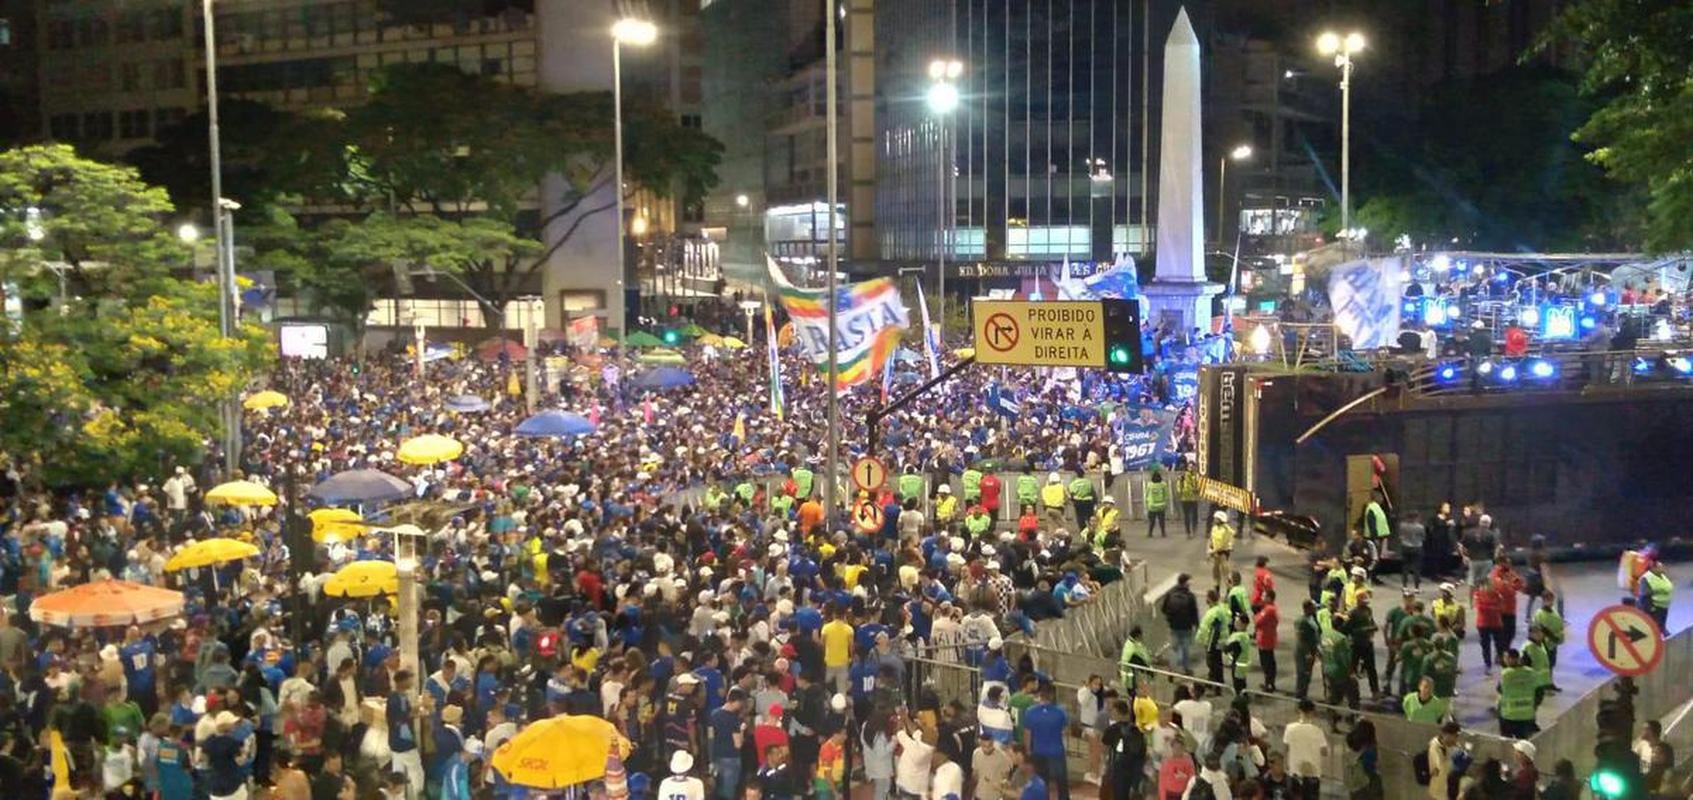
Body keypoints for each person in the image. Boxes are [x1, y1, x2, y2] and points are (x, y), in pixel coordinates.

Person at [1021, 684, 1070, 800]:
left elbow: (1027, 734)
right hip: (1057, 752)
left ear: (1040, 695)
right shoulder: (1060, 712)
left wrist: (1028, 751)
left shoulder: (1030, 712)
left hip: (1038, 752)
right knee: (1062, 784)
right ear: (1052, 695)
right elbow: (1066, 732)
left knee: (1043, 784)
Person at [1280, 699, 1327, 800]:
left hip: (1294, 771)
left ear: (1299, 710)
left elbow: (1285, 748)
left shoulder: (1290, 728)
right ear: (1312, 712)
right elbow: (1324, 751)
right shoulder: (1318, 730)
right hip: (1313, 772)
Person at [1101, 699, 1145, 800]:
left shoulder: (1111, 730)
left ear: (1117, 712)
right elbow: (1142, 755)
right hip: (1135, 771)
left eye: (1112, 711)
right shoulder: (1137, 731)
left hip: (1118, 771)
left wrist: (1105, 769)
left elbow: (1105, 750)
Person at [1161, 574, 1201, 675]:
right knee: (1185, 647)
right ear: (1185, 583)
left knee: (1174, 647)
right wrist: (1197, 625)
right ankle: (1186, 668)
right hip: (1186, 627)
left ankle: (1172, 669)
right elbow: (1194, 613)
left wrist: (1170, 619)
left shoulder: (1170, 594)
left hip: (1173, 626)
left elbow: (1163, 609)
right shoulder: (1190, 597)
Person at [1496, 649, 1540, 739]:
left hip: (1509, 716)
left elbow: (1499, 689)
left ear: (1509, 659)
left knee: (1506, 743)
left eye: (1505, 657)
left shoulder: (1505, 674)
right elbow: (1538, 690)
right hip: (1526, 715)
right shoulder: (1531, 672)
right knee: (1523, 743)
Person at [1425, 722, 1461, 800]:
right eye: (1455, 736)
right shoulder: (1435, 747)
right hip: (1437, 791)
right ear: (1447, 734)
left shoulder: (1454, 746)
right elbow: (1435, 770)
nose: (1456, 739)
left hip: (1448, 790)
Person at [1253, 590, 1280, 692]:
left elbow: (1258, 621)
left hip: (1265, 639)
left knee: (1267, 663)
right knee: (1269, 662)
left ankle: (1269, 683)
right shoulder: (1270, 608)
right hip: (1267, 638)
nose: (1262, 597)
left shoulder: (1268, 610)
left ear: (1269, 598)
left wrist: (1256, 615)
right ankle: (1269, 682)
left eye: (1264, 596)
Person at [1639, 561, 1673, 632]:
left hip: (1663, 607)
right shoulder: (1646, 578)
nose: (1662, 568)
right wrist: (1651, 609)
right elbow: (1644, 596)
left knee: (1661, 627)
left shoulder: (1662, 576)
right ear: (1653, 568)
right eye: (1660, 567)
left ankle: (1666, 638)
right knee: (1657, 628)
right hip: (1655, 608)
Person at [1397, 512, 1427, 588]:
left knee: (1405, 567)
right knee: (1417, 568)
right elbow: (1423, 538)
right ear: (1416, 518)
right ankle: (1416, 587)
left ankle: (1405, 586)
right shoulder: (1420, 527)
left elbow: (1400, 536)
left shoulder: (1402, 525)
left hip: (1405, 547)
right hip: (1417, 547)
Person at [1208, 511, 1236, 589]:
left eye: (1215, 518)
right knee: (1215, 570)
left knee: (1225, 571)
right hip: (1215, 552)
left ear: (1220, 519)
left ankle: (1229, 588)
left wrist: (1212, 551)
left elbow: (1224, 543)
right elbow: (1211, 539)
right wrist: (1210, 548)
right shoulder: (1214, 528)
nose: (1214, 519)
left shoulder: (1226, 529)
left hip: (1223, 552)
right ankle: (1217, 587)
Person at [1177, 464, 1202, 538]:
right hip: (1185, 499)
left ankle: (1194, 529)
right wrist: (1181, 492)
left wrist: (1197, 490)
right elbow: (1178, 486)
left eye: (1193, 467)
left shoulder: (1197, 476)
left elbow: (1199, 485)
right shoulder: (1183, 476)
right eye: (1190, 467)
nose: (1191, 468)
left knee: (1194, 515)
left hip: (1194, 498)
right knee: (1187, 516)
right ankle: (1188, 532)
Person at [1146, 471, 1171, 538]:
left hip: (1152, 506)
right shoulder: (1163, 485)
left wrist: (1147, 502)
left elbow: (1147, 494)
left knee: (1152, 521)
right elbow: (1166, 495)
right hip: (1161, 505)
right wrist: (1165, 503)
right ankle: (1163, 533)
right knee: (1162, 521)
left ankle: (1150, 533)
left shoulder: (1150, 485)